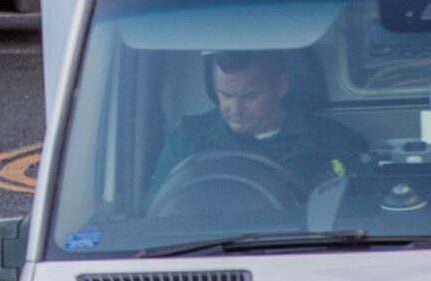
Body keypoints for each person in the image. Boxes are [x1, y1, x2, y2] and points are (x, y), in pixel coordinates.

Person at [150, 51, 367, 193]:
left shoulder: (336, 143)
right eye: (225, 95)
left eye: (249, 97)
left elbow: (360, 218)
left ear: (281, 86)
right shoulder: (187, 141)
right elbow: (156, 215)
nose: (234, 109)